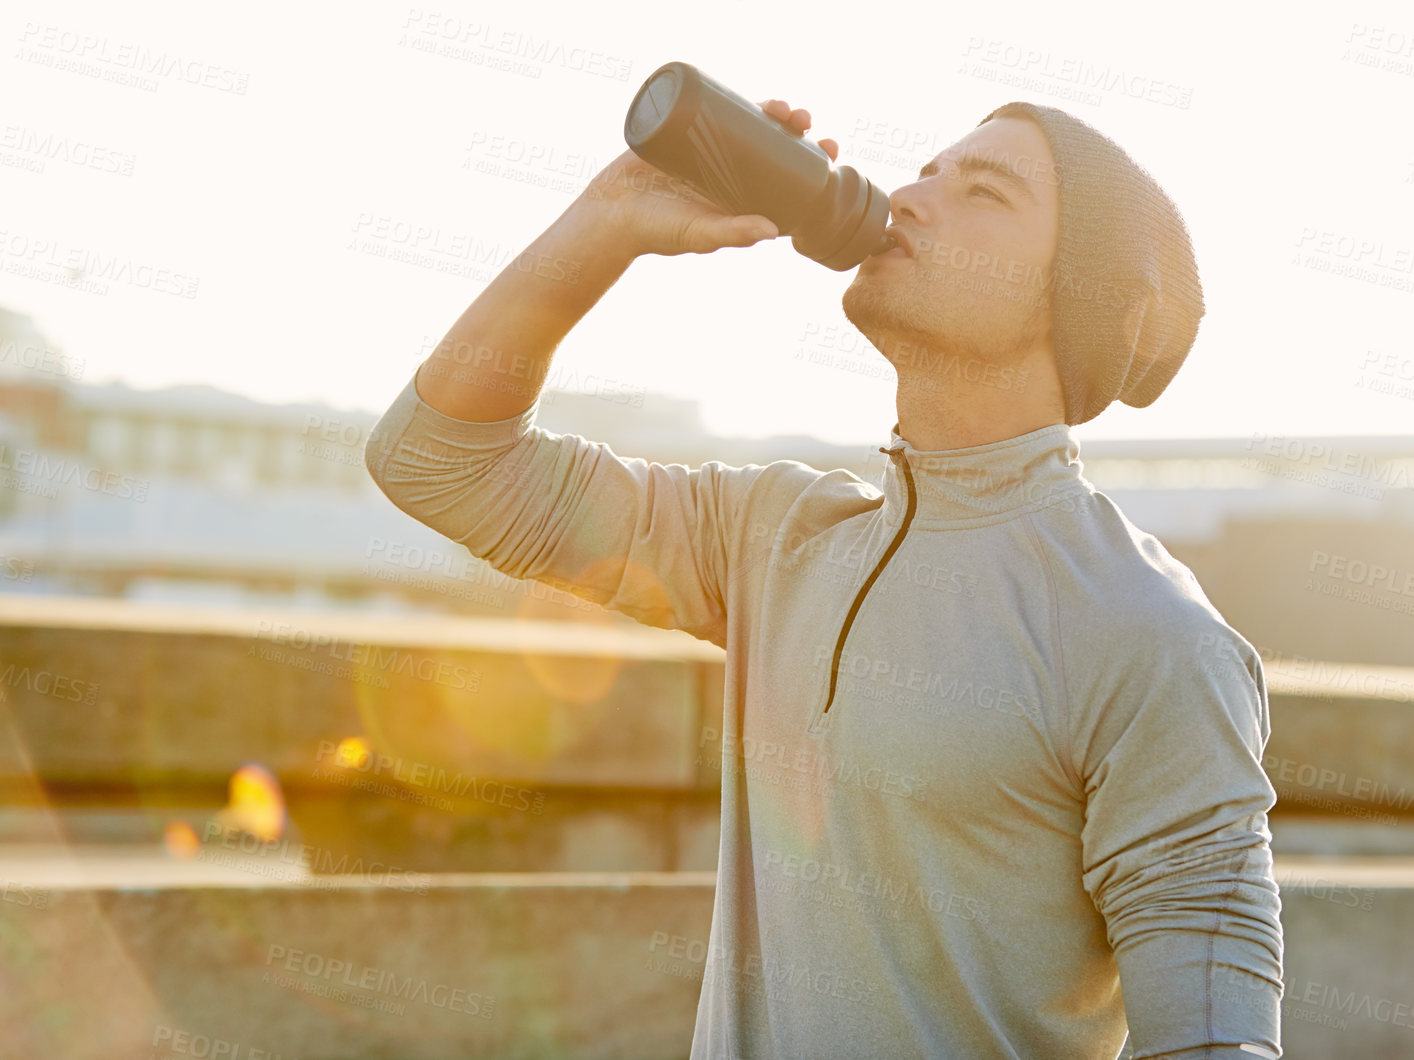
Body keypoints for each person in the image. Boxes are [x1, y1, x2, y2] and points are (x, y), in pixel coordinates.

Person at [365, 94, 1284, 1060]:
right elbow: (437, 461)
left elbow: (1212, 1041)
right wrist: (606, 222)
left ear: (1087, 301)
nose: (914, 198)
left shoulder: (1148, 633)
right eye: (926, 170)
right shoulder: (773, 536)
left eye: (985, 191)